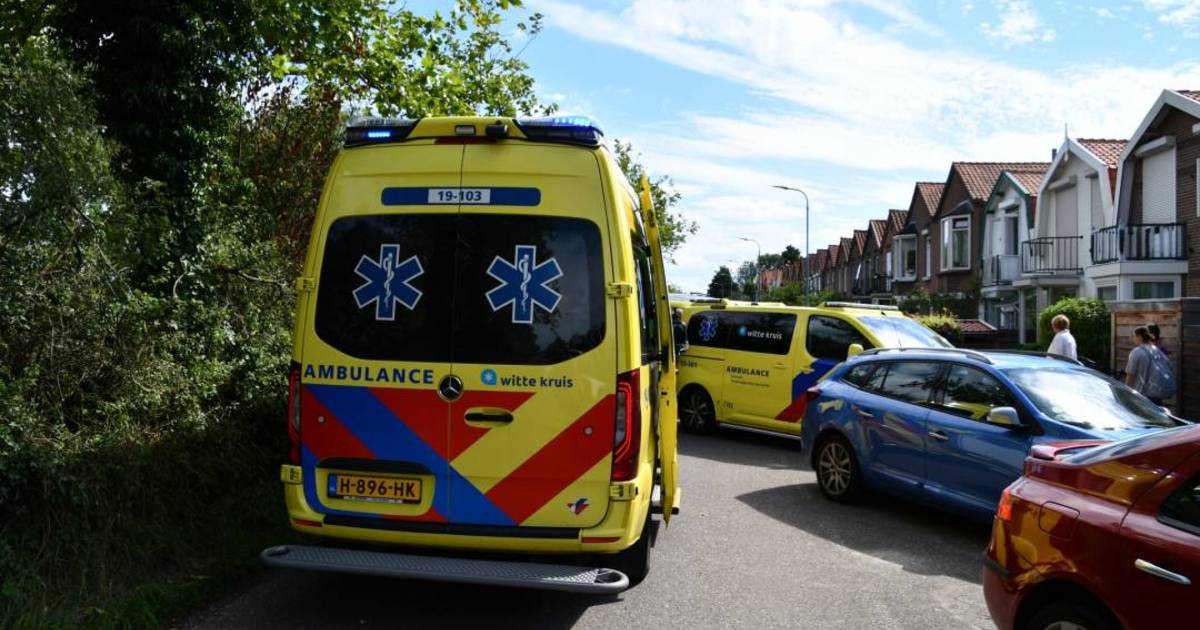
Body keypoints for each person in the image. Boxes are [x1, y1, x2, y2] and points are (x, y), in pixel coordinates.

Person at [1126, 326, 1161, 403]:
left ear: (1139, 337)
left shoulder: (1136, 352)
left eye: (1134, 336)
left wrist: (1126, 392)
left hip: (1141, 397)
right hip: (1157, 395)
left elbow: (1130, 375)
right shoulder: (1157, 351)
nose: (1133, 338)